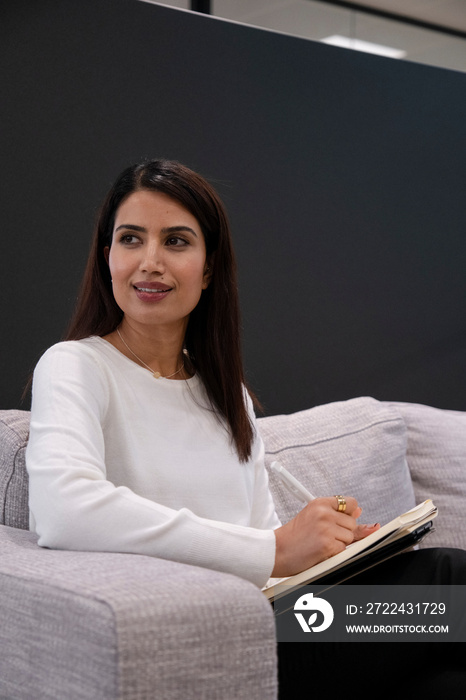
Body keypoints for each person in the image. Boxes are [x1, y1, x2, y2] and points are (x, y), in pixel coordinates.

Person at [26, 159, 466, 697]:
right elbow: (63, 509)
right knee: (449, 580)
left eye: (177, 242)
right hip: (225, 637)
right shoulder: (75, 365)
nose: (150, 262)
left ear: (209, 270)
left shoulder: (225, 392)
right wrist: (277, 550)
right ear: (107, 257)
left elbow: (265, 543)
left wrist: (335, 554)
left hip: (285, 621)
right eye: (131, 239)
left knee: (444, 678)